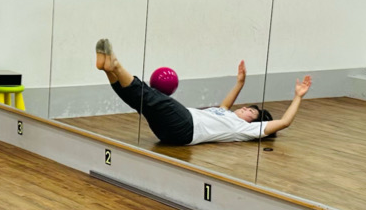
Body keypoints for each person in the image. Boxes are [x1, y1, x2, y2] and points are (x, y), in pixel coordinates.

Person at [95, 39, 310, 147]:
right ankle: (108, 70)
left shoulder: (244, 129)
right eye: (247, 107)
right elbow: (226, 105)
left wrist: (298, 96)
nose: (245, 108)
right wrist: (240, 83)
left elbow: (284, 122)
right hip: (169, 134)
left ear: (254, 123)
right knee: (139, 102)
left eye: (251, 112)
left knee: (152, 97)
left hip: (186, 126)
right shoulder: (225, 114)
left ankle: (116, 65)